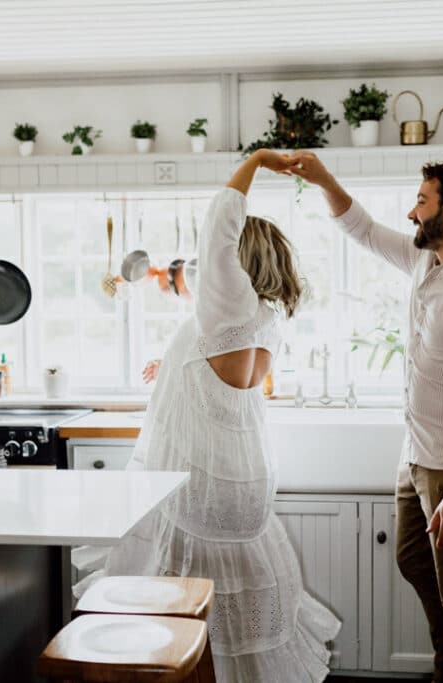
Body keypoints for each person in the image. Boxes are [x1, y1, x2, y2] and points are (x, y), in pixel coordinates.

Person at [98, 148, 341, 682]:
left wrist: (256, 161)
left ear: (234, 263)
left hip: (203, 493)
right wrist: (172, 361)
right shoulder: (261, 319)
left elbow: (217, 225)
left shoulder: (225, 308)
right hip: (248, 493)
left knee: (188, 620)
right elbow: (221, 372)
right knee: (233, 626)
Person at [287, 152, 443, 683]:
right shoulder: (425, 262)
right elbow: (363, 229)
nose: (413, 213)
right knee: (414, 560)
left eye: (422, 200)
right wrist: (322, 178)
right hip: (416, 455)